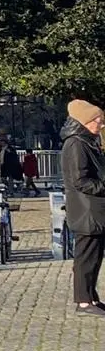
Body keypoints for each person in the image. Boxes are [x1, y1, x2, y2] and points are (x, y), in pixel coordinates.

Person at [59, 100, 105, 317]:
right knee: (85, 256)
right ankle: (83, 301)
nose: (100, 124)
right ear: (85, 121)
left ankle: (91, 296)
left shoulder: (88, 142)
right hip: (85, 209)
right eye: (97, 120)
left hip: (94, 210)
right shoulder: (76, 144)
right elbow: (80, 180)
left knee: (95, 256)